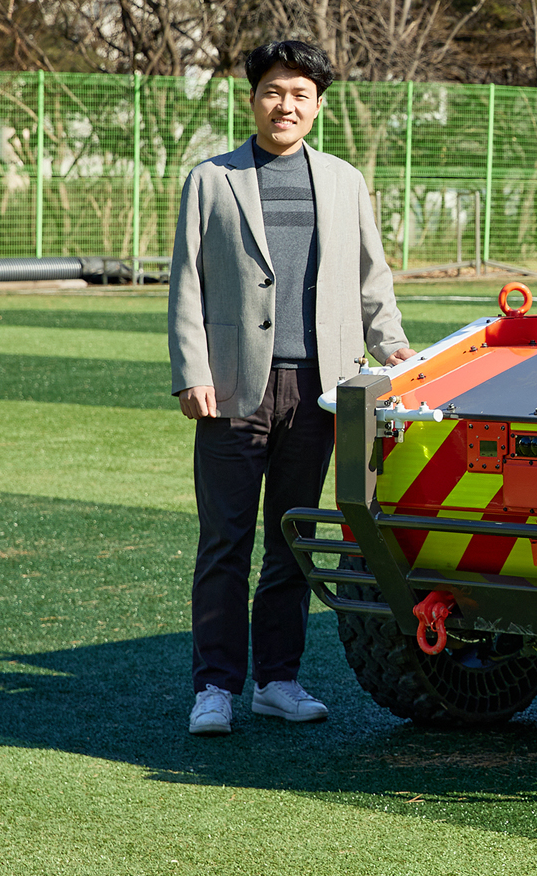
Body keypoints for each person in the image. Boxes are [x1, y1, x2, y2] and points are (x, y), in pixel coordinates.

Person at [169, 40, 414, 736]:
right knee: (225, 540)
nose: (287, 105)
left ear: (317, 105)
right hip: (233, 388)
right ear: (254, 99)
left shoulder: (344, 180)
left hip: (320, 391)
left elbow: (373, 281)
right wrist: (191, 370)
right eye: (275, 91)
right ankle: (214, 686)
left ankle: (278, 680)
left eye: (301, 94)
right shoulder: (212, 180)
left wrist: (392, 345)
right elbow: (186, 281)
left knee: (293, 539)